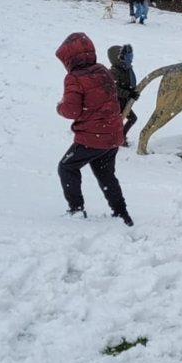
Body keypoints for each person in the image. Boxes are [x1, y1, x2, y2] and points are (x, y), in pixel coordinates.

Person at [55, 32, 134, 226]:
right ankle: (122, 213)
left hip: (93, 137)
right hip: (113, 134)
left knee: (66, 167)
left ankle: (76, 210)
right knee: (105, 173)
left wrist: (60, 107)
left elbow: (72, 110)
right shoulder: (102, 70)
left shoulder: (74, 78)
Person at [108, 43, 140, 147]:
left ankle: (121, 136)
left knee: (131, 119)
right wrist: (129, 93)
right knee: (119, 121)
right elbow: (114, 89)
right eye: (126, 58)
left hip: (124, 101)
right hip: (117, 102)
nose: (129, 61)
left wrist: (133, 93)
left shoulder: (127, 69)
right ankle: (117, 138)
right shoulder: (114, 71)